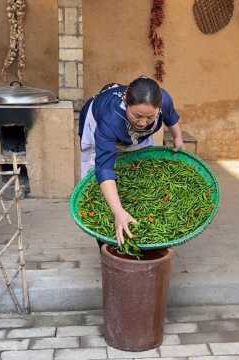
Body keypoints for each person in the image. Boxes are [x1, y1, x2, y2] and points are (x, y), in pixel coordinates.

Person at [78, 76, 184, 245]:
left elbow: (171, 117)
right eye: (138, 116)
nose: (142, 123)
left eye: (150, 118)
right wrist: (118, 212)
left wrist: (177, 137)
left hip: (130, 134)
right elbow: (104, 168)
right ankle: (107, 236)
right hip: (97, 121)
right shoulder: (109, 118)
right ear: (126, 102)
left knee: (138, 171)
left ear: (158, 107)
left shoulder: (163, 100)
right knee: (96, 179)